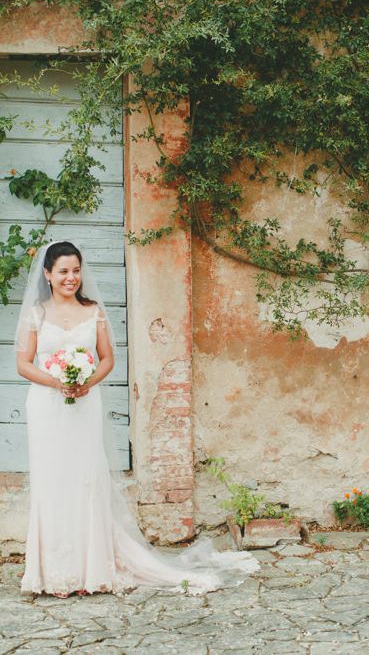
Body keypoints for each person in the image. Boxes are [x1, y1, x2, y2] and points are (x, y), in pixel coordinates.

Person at [15, 241, 258, 597]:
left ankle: (91, 571)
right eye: (63, 271)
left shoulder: (94, 311)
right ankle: (55, 573)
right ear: (48, 274)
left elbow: (107, 359)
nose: (71, 278)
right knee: (53, 483)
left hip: (84, 404)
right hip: (46, 408)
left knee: (87, 480)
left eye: (76, 270)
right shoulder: (36, 313)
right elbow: (23, 364)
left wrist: (86, 382)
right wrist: (56, 382)